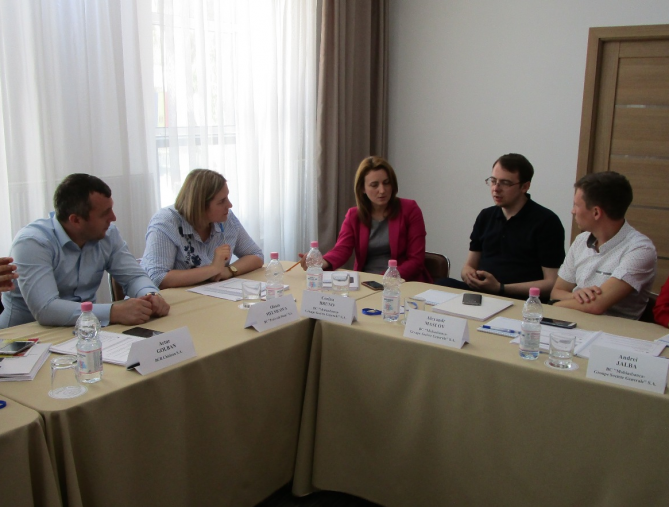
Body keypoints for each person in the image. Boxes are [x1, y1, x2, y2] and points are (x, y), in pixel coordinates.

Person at [0, 174, 170, 329]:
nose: (113, 218)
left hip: (86, 331)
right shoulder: (32, 243)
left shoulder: (108, 234)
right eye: (105, 213)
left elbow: (134, 277)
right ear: (76, 220)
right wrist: (113, 312)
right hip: (25, 337)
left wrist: (150, 295)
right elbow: (46, 309)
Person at [437, 153, 565, 299]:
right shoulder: (486, 216)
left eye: (505, 183)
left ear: (525, 186)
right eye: (493, 181)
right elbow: (469, 266)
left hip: (518, 298)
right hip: (482, 293)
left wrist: (500, 288)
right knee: (442, 285)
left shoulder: (546, 221)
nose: (496, 188)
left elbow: (552, 283)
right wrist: (469, 275)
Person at [299, 156, 431, 282]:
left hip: (401, 282)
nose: (382, 190)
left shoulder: (410, 209)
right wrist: (322, 262)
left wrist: (383, 279)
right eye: (374, 185)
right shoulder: (354, 215)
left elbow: (416, 261)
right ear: (363, 188)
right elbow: (342, 249)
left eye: (386, 183)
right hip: (366, 282)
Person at [550, 172, 656, 319]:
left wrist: (555, 306)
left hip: (614, 329)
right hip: (571, 321)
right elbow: (556, 292)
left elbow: (596, 305)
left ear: (596, 212)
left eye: (576, 205)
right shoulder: (581, 240)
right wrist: (575, 295)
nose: (572, 211)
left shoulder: (640, 249)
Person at [141, 169, 263, 288]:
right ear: (199, 205)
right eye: (221, 201)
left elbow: (255, 255)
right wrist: (213, 269)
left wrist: (229, 270)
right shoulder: (166, 222)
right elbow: (158, 277)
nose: (229, 205)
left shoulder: (226, 218)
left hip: (211, 293)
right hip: (171, 298)